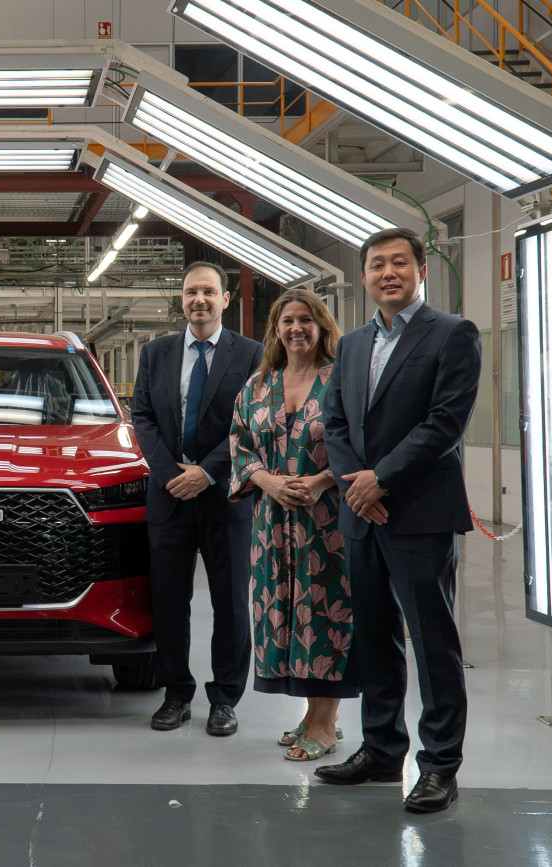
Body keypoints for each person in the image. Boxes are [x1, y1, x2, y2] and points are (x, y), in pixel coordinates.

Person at [315, 227, 481, 814]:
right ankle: (382, 749)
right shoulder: (352, 344)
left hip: (419, 512)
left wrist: (378, 480)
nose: (389, 272)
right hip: (363, 515)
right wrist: (355, 486)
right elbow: (335, 422)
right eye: (377, 264)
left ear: (420, 271)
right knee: (374, 637)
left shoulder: (453, 334)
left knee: (432, 642)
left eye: (400, 263)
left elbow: (445, 423)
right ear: (363, 276)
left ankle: (439, 766)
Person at [131, 261, 264, 736]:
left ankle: (225, 698)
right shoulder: (156, 353)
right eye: (191, 292)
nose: (199, 300)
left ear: (225, 299)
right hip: (169, 496)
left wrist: (206, 473)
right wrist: (172, 475)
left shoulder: (251, 354)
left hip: (226, 496)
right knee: (169, 601)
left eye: (208, 291)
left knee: (231, 603)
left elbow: (250, 423)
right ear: (182, 299)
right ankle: (176, 693)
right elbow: (142, 417)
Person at [228, 289, 356, 761]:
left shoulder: (341, 380)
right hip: (271, 524)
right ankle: (313, 714)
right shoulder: (258, 385)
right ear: (276, 330)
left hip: (328, 522)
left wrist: (323, 481)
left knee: (327, 612)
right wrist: (267, 481)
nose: (296, 328)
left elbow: (360, 443)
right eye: (287, 321)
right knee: (287, 612)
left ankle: (325, 723)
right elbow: (239, 444)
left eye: (306, 319)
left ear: (322, 326)